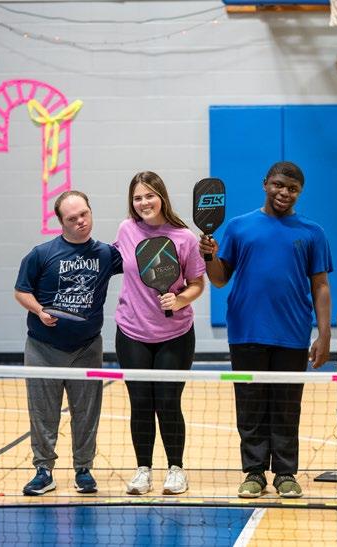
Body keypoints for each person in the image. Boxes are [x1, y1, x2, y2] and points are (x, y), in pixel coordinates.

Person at [200, 161, 332, 499]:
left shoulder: (312, 232)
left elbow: (320, 285)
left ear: (300, 192)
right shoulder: (238, 227)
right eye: (278, 185)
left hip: (292, 333)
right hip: (246, 332)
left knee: (287, 407)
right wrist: (209, 257)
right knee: (250, 406)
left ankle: (286, 474)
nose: (284, 193)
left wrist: (324, 334)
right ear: (265, 184)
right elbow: (219, 279)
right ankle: (254, 473)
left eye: (292, 189)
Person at [15, 190, 123, 496]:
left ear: (91, 211)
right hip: (43, 348)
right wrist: (39, 310)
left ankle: (83, 469)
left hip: (87, 347)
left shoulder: (106, 254)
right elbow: (21, 291)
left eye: (84, 214)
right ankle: (43, 471)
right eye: (73, 218)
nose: (81, 222)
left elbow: (140, 256)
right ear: (61, 222)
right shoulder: (41, 254)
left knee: (87, 413)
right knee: (43, 413)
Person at [114, 171, 206, 496]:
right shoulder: (126, 230)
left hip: (175, 335)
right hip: (132, 331)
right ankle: (143, 470)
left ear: (161, 197)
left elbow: (198, 284)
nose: (144, 202)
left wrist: (180, 300)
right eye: (138, 198)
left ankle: (176, 469)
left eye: (149, 195)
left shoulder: (184, 237)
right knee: (140, 403)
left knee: (167, 402)